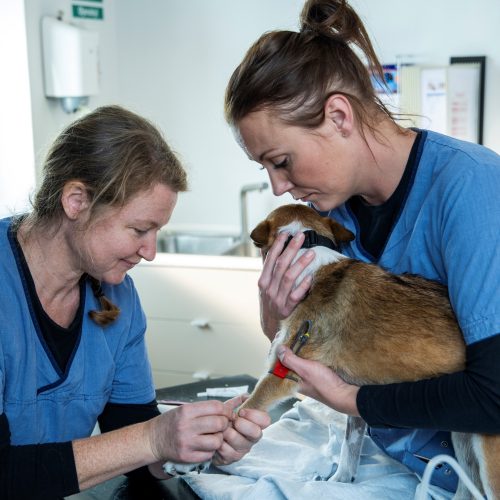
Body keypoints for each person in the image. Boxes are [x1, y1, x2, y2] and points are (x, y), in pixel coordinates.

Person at [223, 0, 500, 494]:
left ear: (338, 116)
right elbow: (313, 353)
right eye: (265, 168)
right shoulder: (332, 218)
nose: (278, 188)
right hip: (408, 465)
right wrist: (273, 313)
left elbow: (494, 395)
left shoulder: (472, 190)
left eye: (282, 161)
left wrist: (353, 400)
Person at [0, 105, 270, 499]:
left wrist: (193, 446)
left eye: (157, 231)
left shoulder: (117, 297)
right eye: (140, 229)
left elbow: (134, 442)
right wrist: (151, 439)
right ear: (76, 201)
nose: (150, 251)